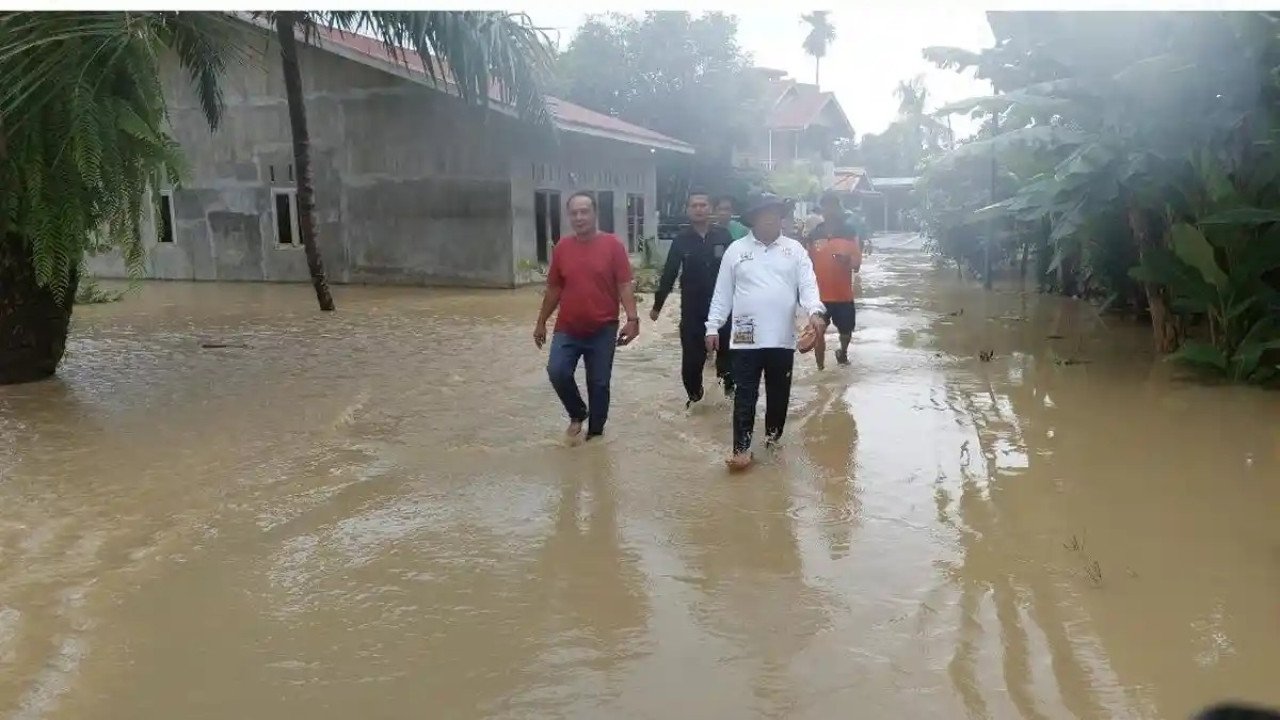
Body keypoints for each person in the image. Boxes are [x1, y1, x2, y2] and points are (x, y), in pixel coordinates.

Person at [706, 192, 826, 471]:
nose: (771, 218)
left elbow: (807, 286)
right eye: (765, 213)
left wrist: (815, 312)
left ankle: (773, 441)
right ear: (754, 218)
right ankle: (741, 449)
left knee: (778, 394)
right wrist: (713, 325)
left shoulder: (795, 250)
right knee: (745, 393)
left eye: (775, 212)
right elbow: (722, 294)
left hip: (782, 337)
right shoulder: (736, 250)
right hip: (745, 335)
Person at [534, 192, 640, 443]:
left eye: (585, 211)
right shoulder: (562, 248)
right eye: (574, 213)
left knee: (599, 384)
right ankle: (577, 412)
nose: (579, 217)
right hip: (568, 328)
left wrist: (633, 319)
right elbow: (554, 289)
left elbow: (624, 285)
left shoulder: (613, 246)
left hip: (603, 328)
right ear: (569, 216)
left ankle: (595, 438)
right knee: (557, 371)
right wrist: (541, 322)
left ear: (595, 214)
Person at [651, 190, 735, 406]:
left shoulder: (723, 236)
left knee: (729, 359)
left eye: (703, 205)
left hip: (724, 309)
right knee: (691, 362)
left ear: (710, 209)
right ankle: (695, 400)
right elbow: (669, 272)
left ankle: (728, 401)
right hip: (692, 311)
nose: (699, 209)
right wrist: (657, 305)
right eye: (694, 205)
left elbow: (739, 270)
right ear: (688, 210)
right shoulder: (681, 240)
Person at [805, 191, 863, 369]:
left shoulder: (849, 232)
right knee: (818, 332)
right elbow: (805, 265)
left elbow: (857, 265)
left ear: (839, 208)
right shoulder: (814, 234)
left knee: (846, 331)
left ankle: (842, 352)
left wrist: (847, 260)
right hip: (819, 296)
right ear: (821, 209)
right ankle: (820, 370)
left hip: (843, 295)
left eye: (833, 205)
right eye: (826, 205)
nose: (829, 210)